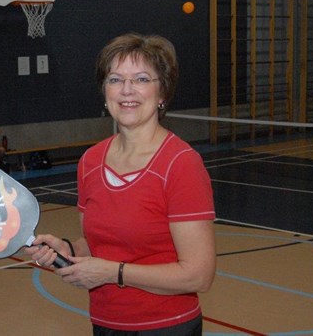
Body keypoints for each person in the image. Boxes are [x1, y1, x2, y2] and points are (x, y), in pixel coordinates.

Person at [25, 33, 216, 335]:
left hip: (166, 327)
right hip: (105, 323)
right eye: (115, 80)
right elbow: (101, 244)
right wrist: (68, 247)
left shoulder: (181, 164)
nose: (127, 90)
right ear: (104, 92)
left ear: (162, 92)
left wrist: (113, 273)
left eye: (141, 79)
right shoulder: (90, 161)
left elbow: (198, 276)